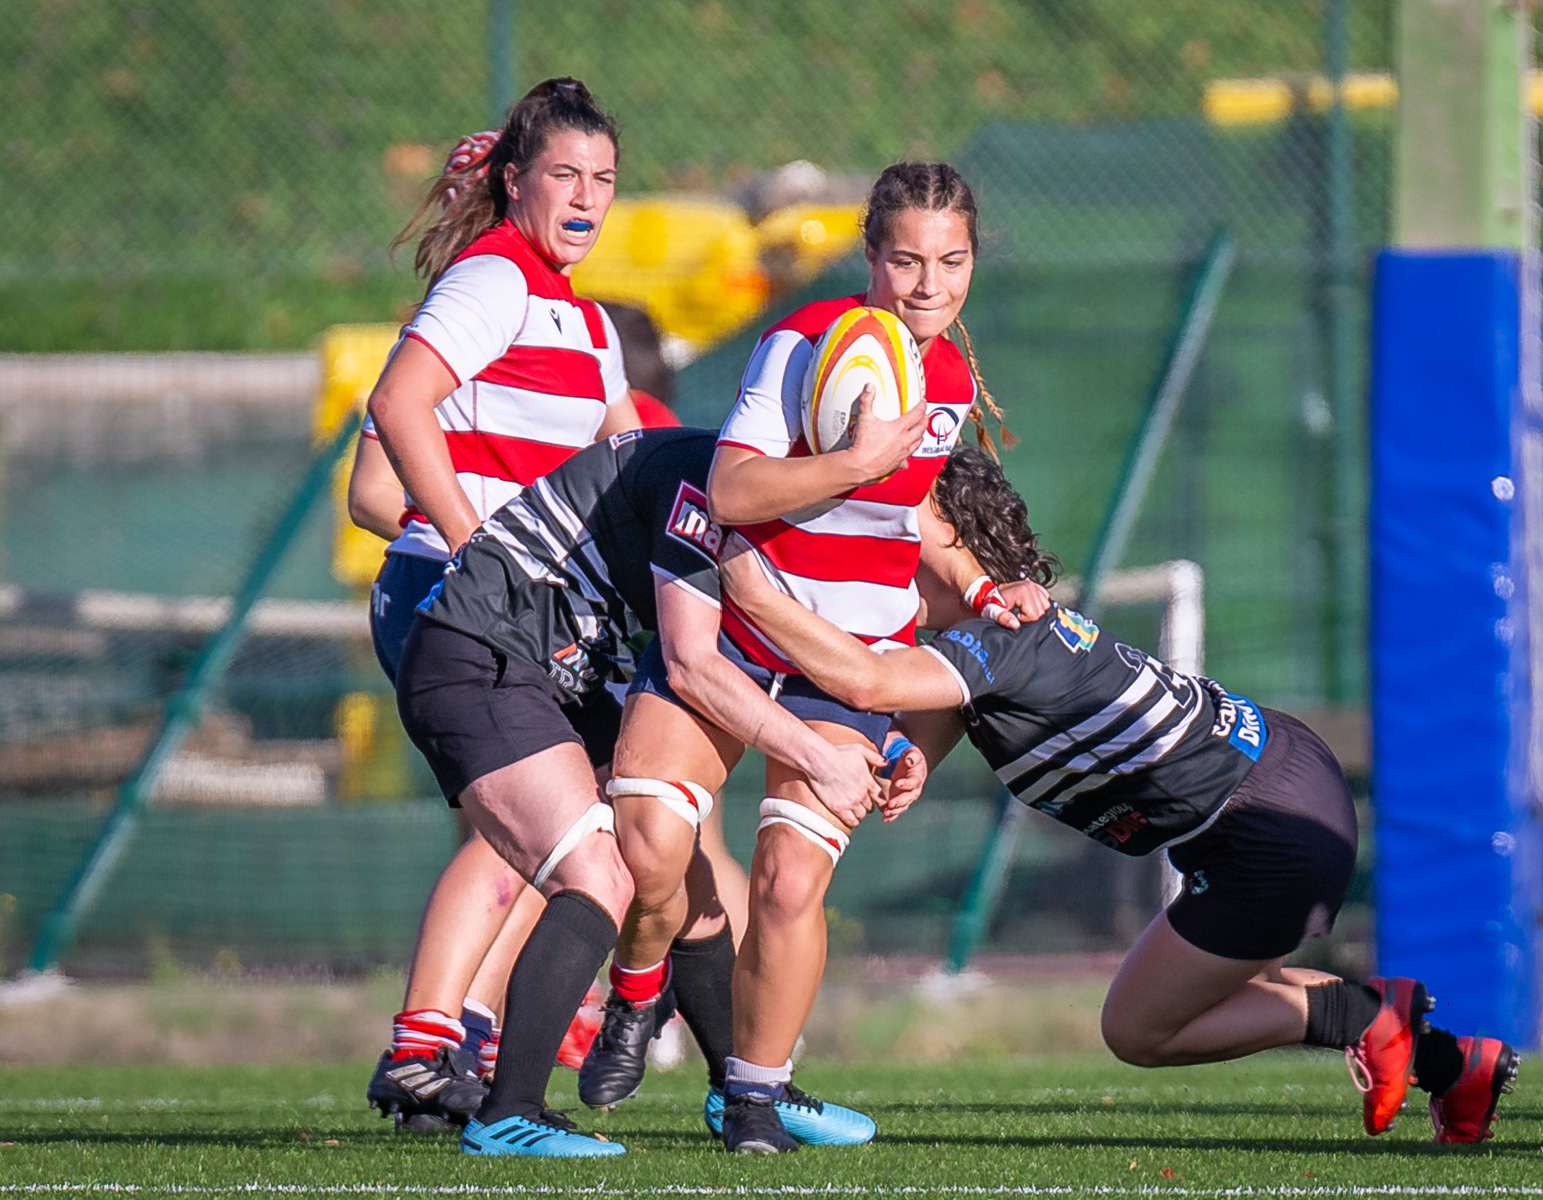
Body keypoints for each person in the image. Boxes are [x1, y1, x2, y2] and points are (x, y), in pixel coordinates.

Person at [717, 447, 1520, 1147]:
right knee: (1204, 993)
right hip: (1275, 785)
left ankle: (1365, 1019)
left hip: (1264, 831)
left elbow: (865, 678)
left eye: (893, 542)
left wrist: (749, 586)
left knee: (1136, 1028)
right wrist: (915, 757)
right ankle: (1456, 1064)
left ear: (949, 544)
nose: (883, 565)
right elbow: (952, 710)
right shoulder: (1004, 630)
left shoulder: (999, 636)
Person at [591, 160, 1050, 1155]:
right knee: (648, 845)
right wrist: (853, 463)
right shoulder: (801, 344)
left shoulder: (953, 378)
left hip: (845, 657)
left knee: (789, 882)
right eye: (906, 260)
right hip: (737, 635)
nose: (928, 284)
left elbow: (914, 511)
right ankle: (636, 990)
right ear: (869, 255)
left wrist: (978, 588)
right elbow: (733, 491)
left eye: (951, 261)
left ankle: (753, 1096)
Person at [394, 425, 889, 1157]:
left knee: (677, 865)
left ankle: (743, 1093)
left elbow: (785, 642)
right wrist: (820, 758)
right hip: (486, 656)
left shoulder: (769, 502)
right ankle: (509, 1109)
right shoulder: (704, 478)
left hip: (559, 673)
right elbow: (692, 664)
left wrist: (892, 733)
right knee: (597, 872)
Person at [349, 79, 643, 1131]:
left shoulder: (586, 321)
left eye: (604, 179)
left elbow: (631, 460)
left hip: (522, 613)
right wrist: (486, 554)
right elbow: (395, 410)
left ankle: (440, 1044)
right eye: (565, 174)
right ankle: (460, 1042)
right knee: (551, 834)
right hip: (453, 602)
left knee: (547, 829)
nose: (587, 197)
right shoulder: (494, 282)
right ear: (515, 180)